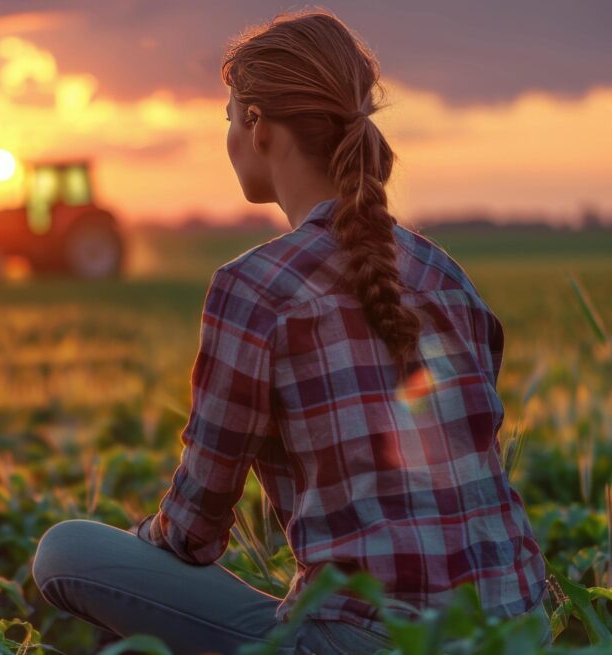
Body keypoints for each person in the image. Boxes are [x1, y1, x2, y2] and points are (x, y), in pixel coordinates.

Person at [31, 7, 549, 654]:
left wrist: (140, 553)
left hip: (364, 641)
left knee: (66, 552)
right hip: (514, 629)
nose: (228, 138)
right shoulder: (448, 277)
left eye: (228, 118)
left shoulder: (254, 287)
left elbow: (193, 528)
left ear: (258, 126)